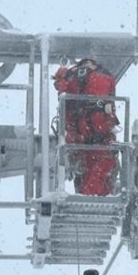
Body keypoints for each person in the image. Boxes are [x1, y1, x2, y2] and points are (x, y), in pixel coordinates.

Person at [52, 58, 118, 196]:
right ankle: (91, 196)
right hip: (100, 135)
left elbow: (65, 105)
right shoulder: (105, 75)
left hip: (81, 135)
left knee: (88, 172)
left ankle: (87, 196)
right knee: (101, 169)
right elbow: (110, 104)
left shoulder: (69, 76)